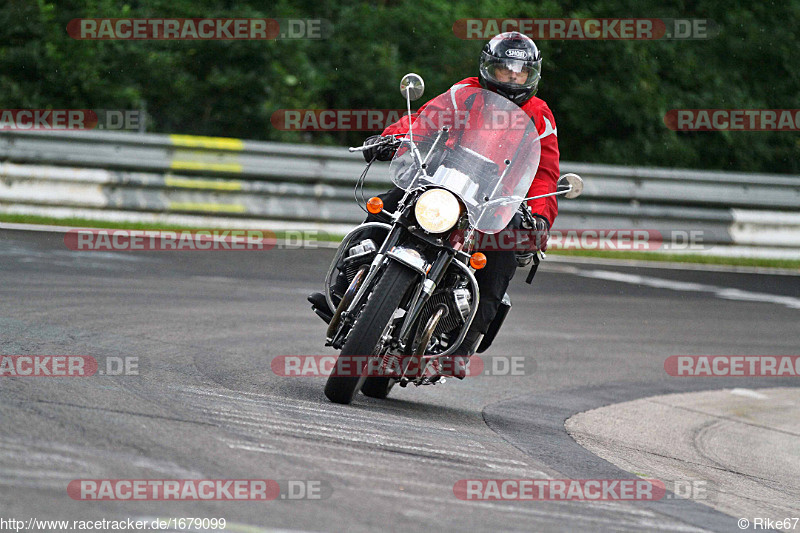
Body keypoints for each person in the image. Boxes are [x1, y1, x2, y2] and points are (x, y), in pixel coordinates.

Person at [309, 32, 560, 376]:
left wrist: (539, 217)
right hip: (439, 178)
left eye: (520, 72)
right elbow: (423, 120)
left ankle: (467, 339)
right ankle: (345, 288)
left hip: (490, 200)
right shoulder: (464, 95)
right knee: (385, 207)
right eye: (505, 70)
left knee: (502, 256)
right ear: (490, 68)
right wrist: (391, 137)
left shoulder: (539, 116)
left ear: (532, 75)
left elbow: (545, 174)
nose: (513, 78)